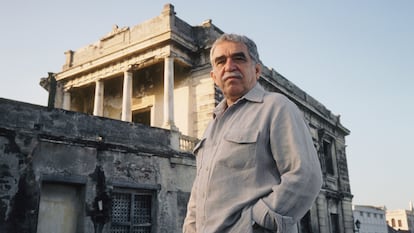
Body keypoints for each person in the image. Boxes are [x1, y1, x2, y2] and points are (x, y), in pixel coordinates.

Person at [183, 33, 323, 233]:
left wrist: (256, 223)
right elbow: (199, 193)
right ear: (214, 77)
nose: (229, 66)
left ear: (257, 70)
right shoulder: (211, 127)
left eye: (239, 58)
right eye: (221, 61)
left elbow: (306, 176)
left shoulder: (275, 106)